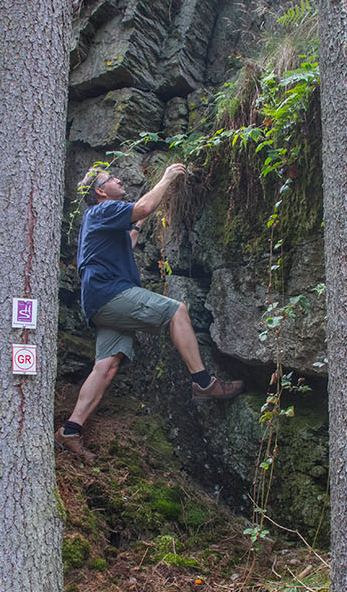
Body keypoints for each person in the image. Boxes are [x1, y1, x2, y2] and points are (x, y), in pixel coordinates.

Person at [55, 162, 244, 455]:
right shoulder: (103, 210)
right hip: (110, 294)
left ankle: (70, 430)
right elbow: (142, 208)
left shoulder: (99, 220)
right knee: (176, 310)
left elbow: (128, 238)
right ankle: (203, 382)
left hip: (99, 302)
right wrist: (167, 178)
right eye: (112, 179)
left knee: (106, 367)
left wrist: (139, 224)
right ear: (100, 191)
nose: (119, 180)